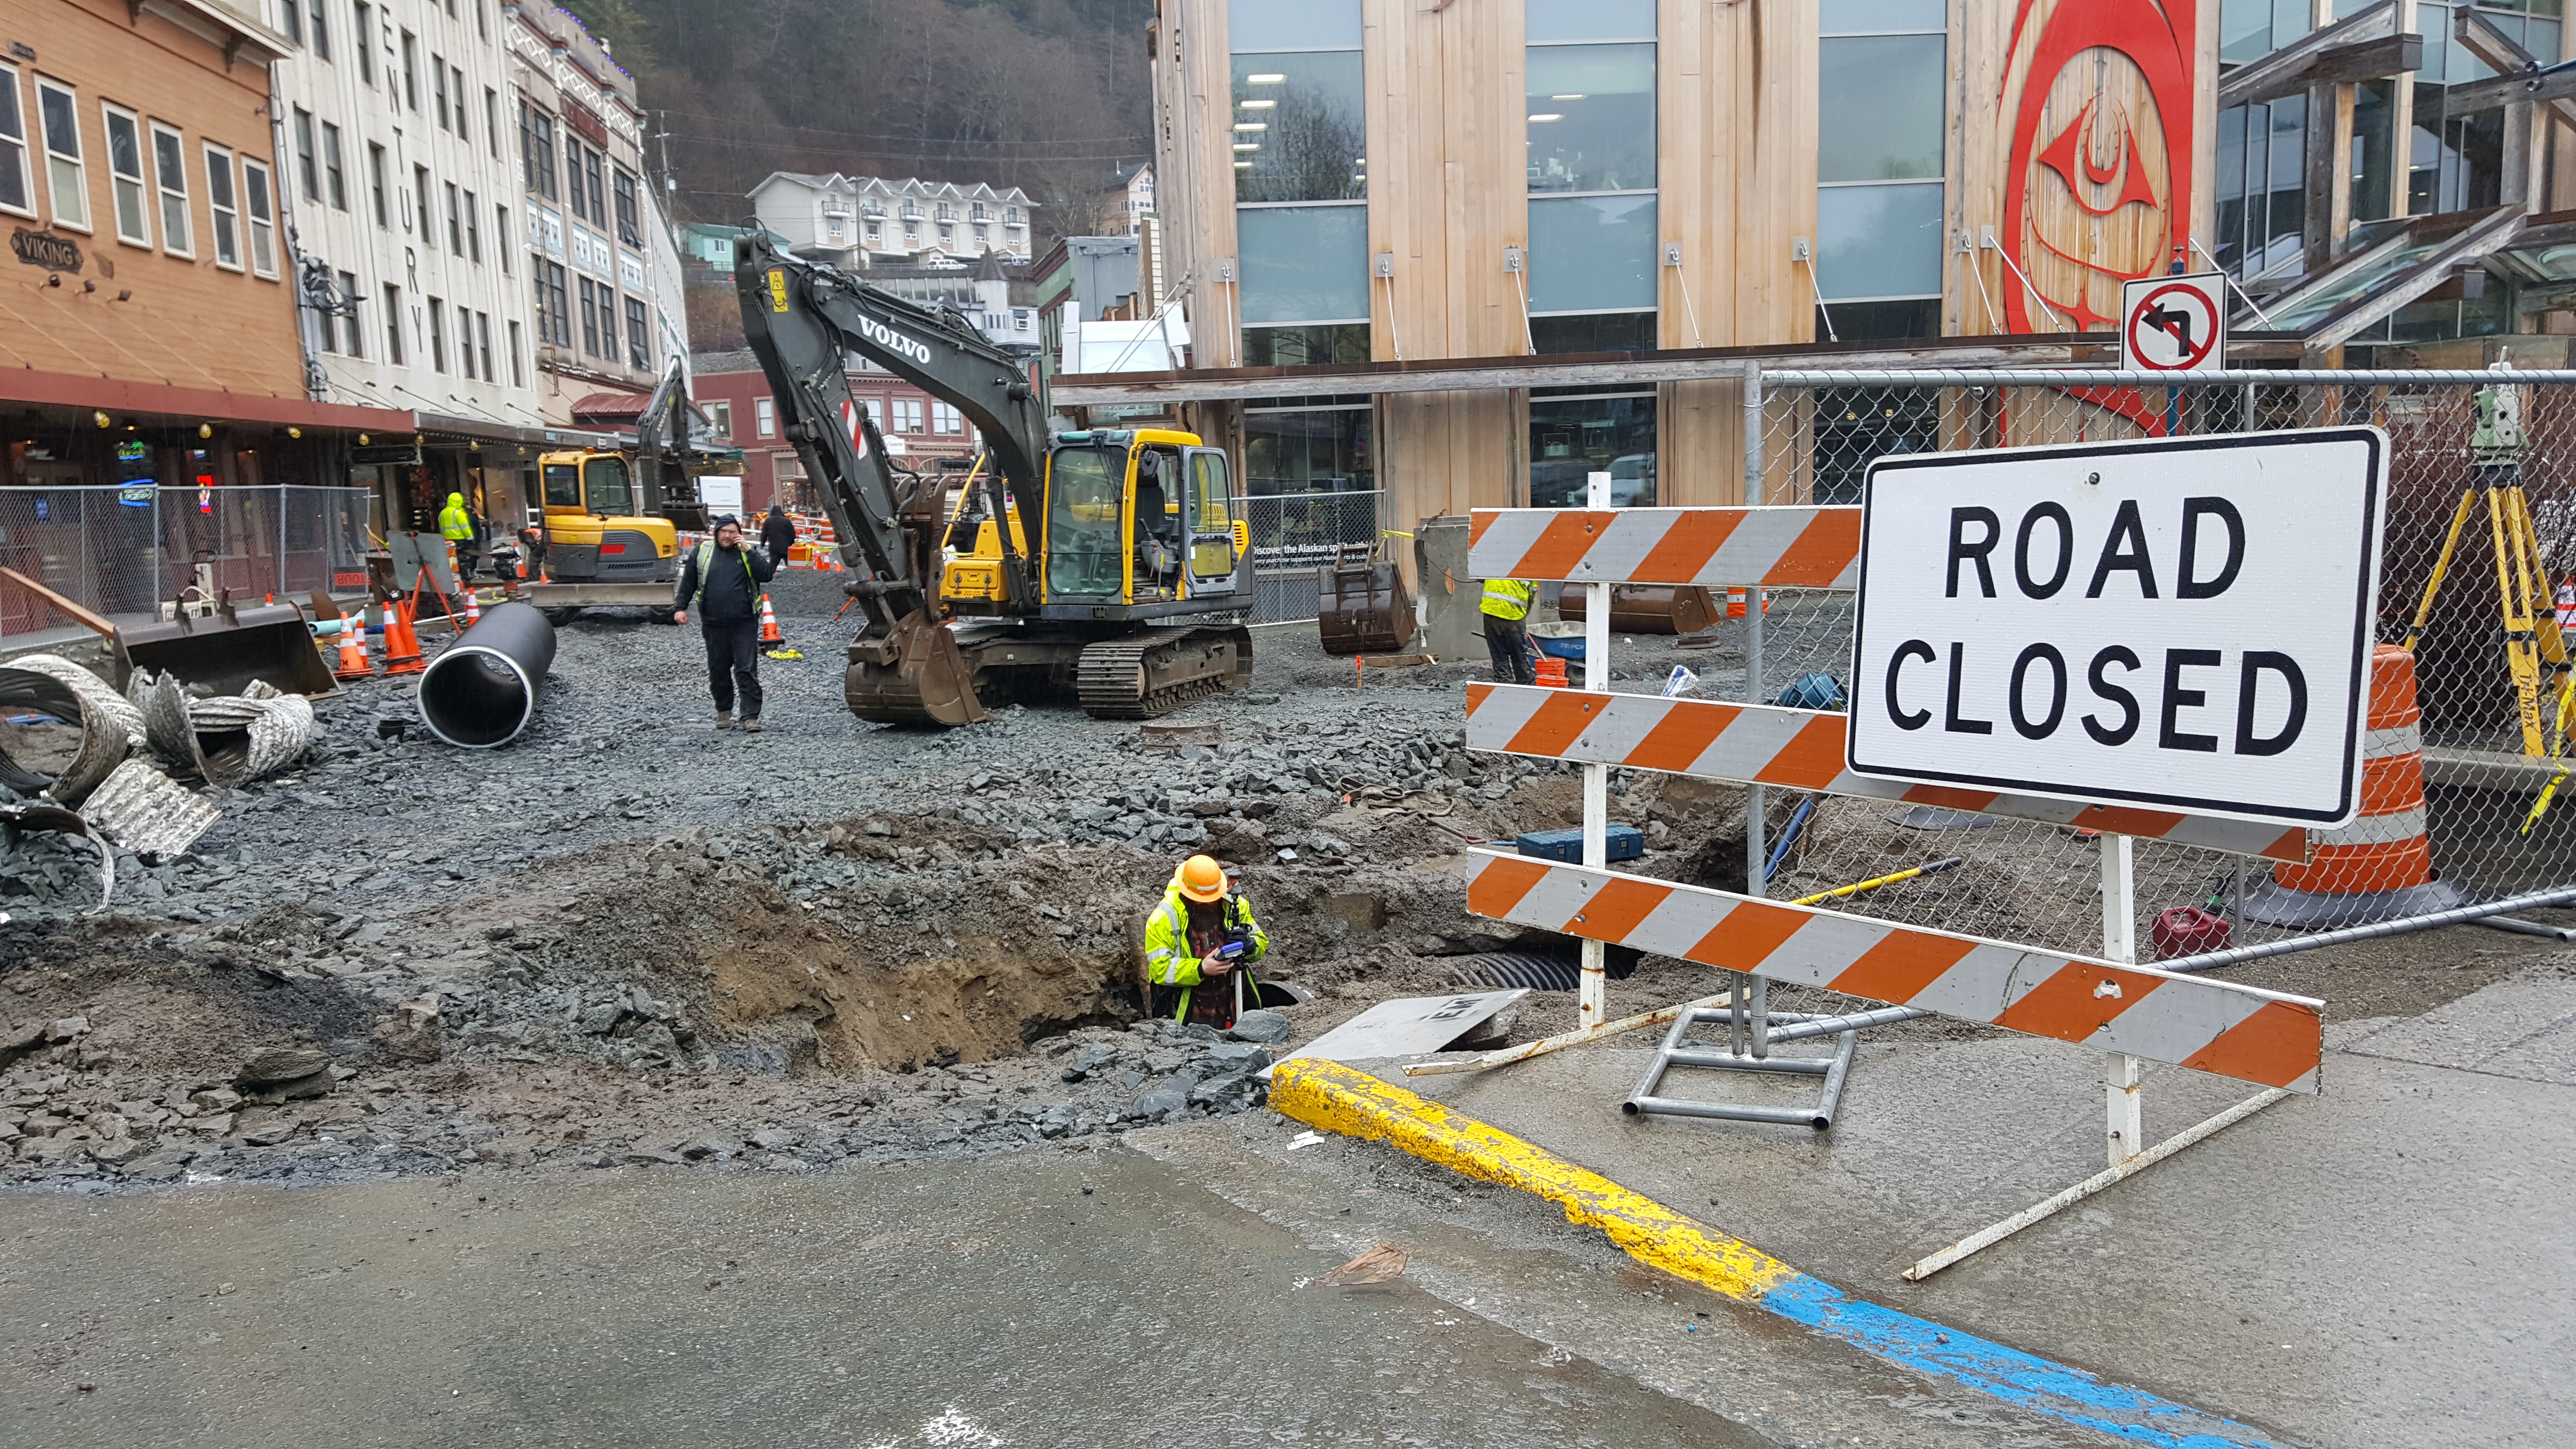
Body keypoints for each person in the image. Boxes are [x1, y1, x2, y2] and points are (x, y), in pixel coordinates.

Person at [672, 515, 779, 733]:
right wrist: (680, 608)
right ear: (717, 532)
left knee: (746, 670)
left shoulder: (747, 553)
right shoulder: (702, 552)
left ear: (739, 534)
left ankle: (750, 716)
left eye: (733, 532)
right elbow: (689, 582)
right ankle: (724, 711)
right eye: (724, 531)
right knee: (718, 669)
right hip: (713, 623)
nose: (728, 536)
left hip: (744, 622)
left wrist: (748, 550)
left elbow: (767, 575)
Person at [1142, 854, 1269, 1030]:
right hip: (1187, 1006)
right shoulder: (1164, 917)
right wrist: (1200, 969)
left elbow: (1260, 943)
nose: (1207, 903)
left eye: (1212, 898)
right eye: (1201, 900)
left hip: (1232, 998)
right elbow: (1159, 970)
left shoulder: (1235, 905)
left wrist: (1250, 945)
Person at [1481, 576, 1538, 685]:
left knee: (1499, 655)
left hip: (1491, 613)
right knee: (1519, 655)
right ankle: (1525, 685)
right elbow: (1532, 595)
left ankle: (1504, 684)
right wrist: (1525, 613)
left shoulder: (1493, 566)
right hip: (1514, 617)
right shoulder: (1529, 570)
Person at [438, 490, 479, 586]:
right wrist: (470, 539)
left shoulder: (443, 513)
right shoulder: (458, 513)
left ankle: (452, 580)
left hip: (447, 541)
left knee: (450, 562)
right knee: (463, 560)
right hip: (460, 540)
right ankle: (464, 580)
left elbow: (441, 527)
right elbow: (465, 528)